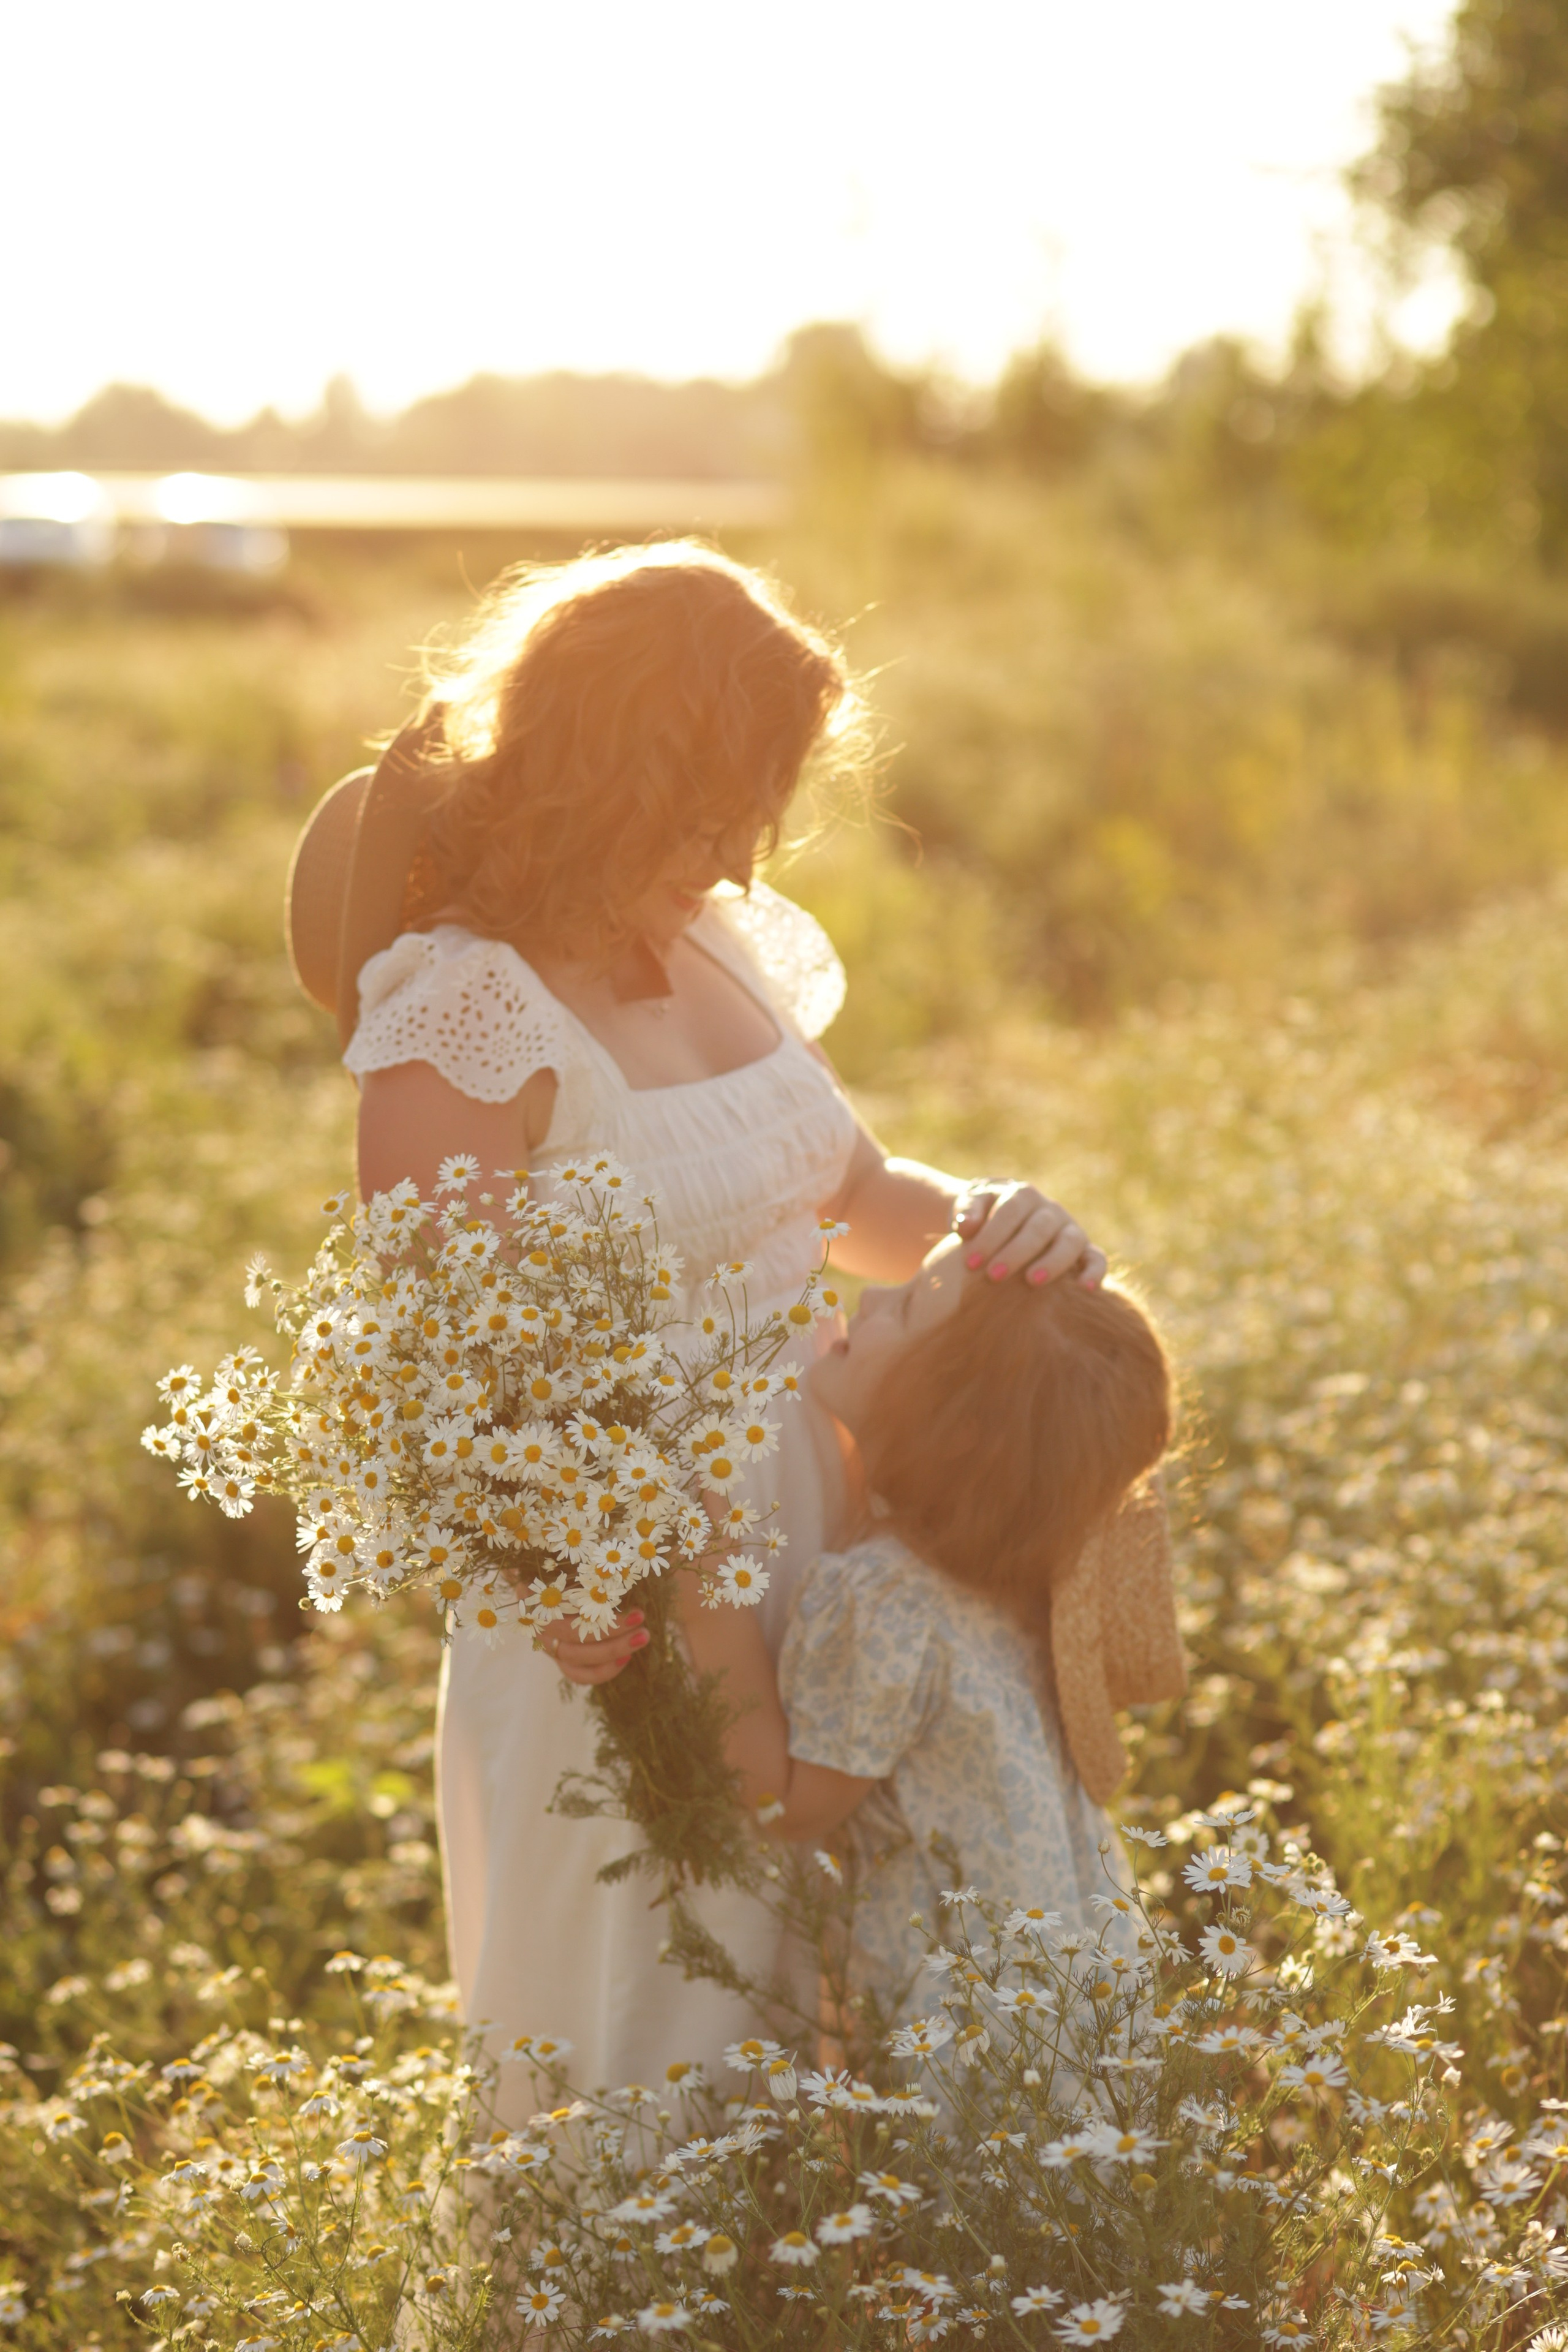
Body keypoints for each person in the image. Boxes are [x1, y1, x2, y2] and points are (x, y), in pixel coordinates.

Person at [285, 538, 1109, 2103]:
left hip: (832, 1525)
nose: (744, 853)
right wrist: (577, 1569)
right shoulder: (462, 1015)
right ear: (613, 773)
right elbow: (449, 1370)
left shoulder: (717, 942)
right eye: (721, 800)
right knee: (647, 2029)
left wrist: (999, 1224)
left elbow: (851, 1197)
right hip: (621, 1590)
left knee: (835, 2004)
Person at [676, 1231, 1185, 2024]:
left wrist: (710, 1608)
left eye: (904, 1305)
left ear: (956, 1430)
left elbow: (791, 1805)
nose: (869, 1296)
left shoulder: (880, 1600)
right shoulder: (1020, 1568)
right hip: (1071, 1979)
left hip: (964, 2009)